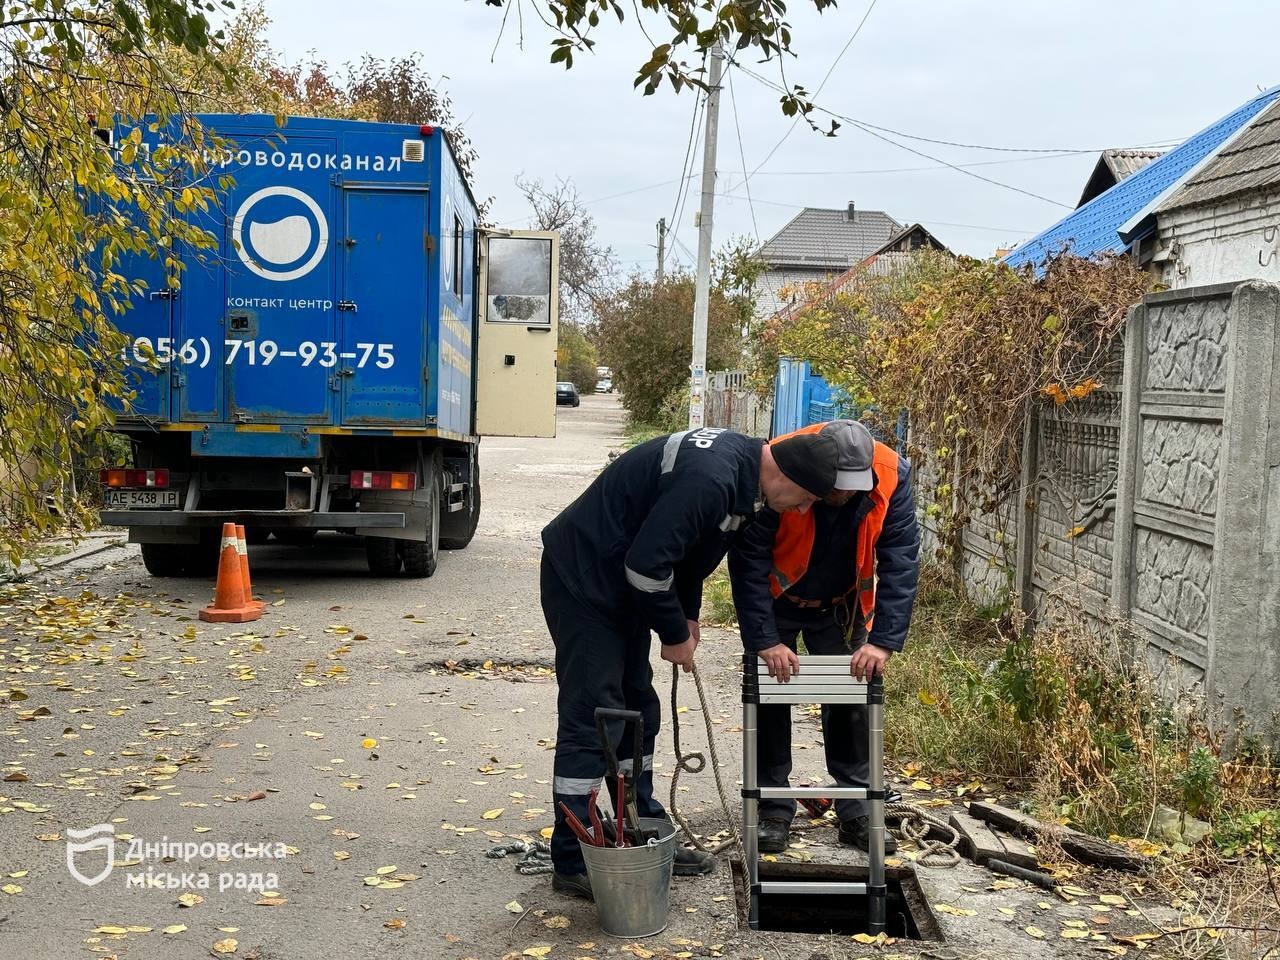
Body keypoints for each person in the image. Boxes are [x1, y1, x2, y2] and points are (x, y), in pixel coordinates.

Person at [540, 426, 840, 899]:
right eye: (803, 498)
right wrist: (674, 633)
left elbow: (690, 552)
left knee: (638, 708)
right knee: (595, 715)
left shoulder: (746, 479)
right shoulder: (713, 479)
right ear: (782, 471)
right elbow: (647, 566)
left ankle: (635, 833)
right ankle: (575, 858)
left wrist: (689, 613)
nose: (801, 510)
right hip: (585, 579)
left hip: (623, 585)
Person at [729, 419, 921, 854]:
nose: (844, 495)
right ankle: (772, 810)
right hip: (780, 599)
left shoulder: (892, 475)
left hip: (840, 605)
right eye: (835, 487)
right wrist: (765, 640)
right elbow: (748, 559)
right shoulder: (781, 466)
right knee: (770, 697)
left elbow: (901, 559)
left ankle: (855, 811)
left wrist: (882, 641)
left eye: (854, 486)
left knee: (851, 697)